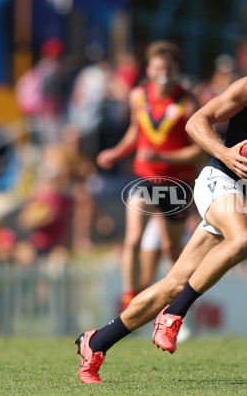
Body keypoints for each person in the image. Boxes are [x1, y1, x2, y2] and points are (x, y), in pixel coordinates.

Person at [75, 23, 247, 383]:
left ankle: (96, 342)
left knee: (172, 282)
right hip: (219, 181)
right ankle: (174, 316)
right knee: (246, 240)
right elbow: (198, 122)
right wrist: (225, 154)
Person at [95, 41, 203, 312]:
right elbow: (135, 132)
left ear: (176, 69)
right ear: (149, 70)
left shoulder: (187, 102)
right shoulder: (138, 96)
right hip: (144, 178)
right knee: (132, 238)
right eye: (158, 67)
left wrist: (163, 157)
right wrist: (116, 153)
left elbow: (197, 151)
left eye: (168, 67)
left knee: (171, 248)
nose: (163, 72)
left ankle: (176, 305)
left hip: (177, 183)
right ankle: (129, 300)